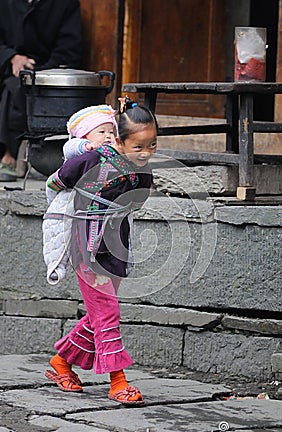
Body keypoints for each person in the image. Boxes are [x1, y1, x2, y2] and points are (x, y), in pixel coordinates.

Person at [44, 97, 158, 405]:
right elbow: (56, 182)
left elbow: (140, 197)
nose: (145, 153)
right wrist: (73, 202)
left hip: (116, 245)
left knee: (98, 313)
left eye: (151, 146)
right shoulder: (92, 160)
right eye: (139, 147)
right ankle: (118, 380)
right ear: (122, 141)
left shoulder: (141, 170)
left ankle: (61, 362)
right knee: (107, 311)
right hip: (89, 246)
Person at [0, 0, 82, 181]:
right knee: (12, 86)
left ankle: (16, 157)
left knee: (22, 88)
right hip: (7, 66)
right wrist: (11, 57)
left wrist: (42, 73)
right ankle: (8, 155)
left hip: (46, 69)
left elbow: (69, 48)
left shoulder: (65, 4)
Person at [43, 104, 118, 284]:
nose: (108, 136)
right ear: (85, 134)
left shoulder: (110, 154)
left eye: (111, 132)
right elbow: (71, 147)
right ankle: (56, 266)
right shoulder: (82, 149)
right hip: (69, 197)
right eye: (102, 131)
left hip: (99, 205)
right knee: (59, 233)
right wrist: (88, 145)